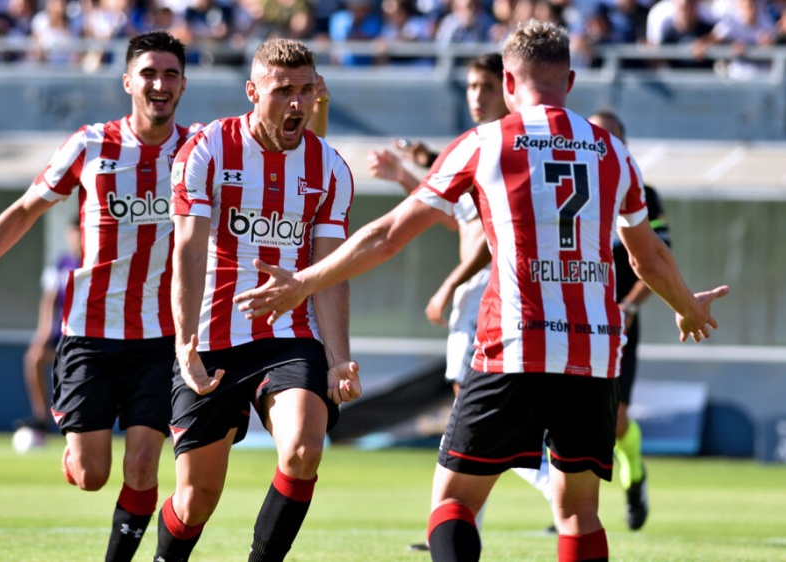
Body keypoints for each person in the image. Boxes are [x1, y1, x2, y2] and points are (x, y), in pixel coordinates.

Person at [233, 19, 729, 562]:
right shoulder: (612, 152)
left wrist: (304, 280)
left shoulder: (484, 143)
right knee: (578, 513)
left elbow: (389, 235)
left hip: (513, 344)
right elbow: (648, 256)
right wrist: (688, 305)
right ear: (571, 78)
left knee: (452, 504)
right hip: (593, 351)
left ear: (509, 85)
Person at [0, 31, 202, 562]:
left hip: (162, 336)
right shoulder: (90, 145)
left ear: (184, 85)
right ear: (128, 82)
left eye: (170, 75)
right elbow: (26, 209)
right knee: (92, 475)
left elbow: (271, 149)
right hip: (90, 334)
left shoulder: (196, 151)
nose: (159, 84)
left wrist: (313, 102)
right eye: (148, 73)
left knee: (144, 463)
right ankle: (76, 450)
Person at [153, 37, 359, 562]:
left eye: (306, 91)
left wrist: (338, 360)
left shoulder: (331, 168)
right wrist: (185, 344)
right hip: (213, 334)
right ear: (252, 92)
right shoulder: (206, 149)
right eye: (282, 90)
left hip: (290, 336)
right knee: (196, 499)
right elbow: (189, 251)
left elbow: (331, 272)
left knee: (303, 450)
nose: (296, 103)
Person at [367, 53, 553, 550]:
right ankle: (462, 520)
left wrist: (449, 284)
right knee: (471, 419)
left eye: (486, 86)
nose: (476, 95)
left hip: (488, 297)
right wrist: (410, 170)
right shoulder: (481, 146)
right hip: (493, 299)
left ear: (507, 87)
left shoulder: (502, 146)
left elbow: (480, 235)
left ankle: (546, 490)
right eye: (471, 86)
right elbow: (455, 213)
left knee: (473, 417)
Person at [588, 108, 670, 531]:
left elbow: (656, 257)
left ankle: (634, 473)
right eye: (594, 135)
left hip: (618, 324)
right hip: (572, 317)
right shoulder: (570, 182)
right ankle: (569, 507)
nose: (601, 143)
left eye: (610, 137)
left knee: (615, 422)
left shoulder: (640, 192)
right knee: (565, 412)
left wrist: (631, 306)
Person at [15, 219, 82, 449]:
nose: (76, 238)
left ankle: (76, 424)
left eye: (80, 233)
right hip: (60, 333)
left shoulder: (94, 261)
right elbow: (50, 299)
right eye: (72, 233)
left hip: (84, 333)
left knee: (76, 375)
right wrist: (43, 331)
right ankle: (41, 418)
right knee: (33, 359)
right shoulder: (62, 263)